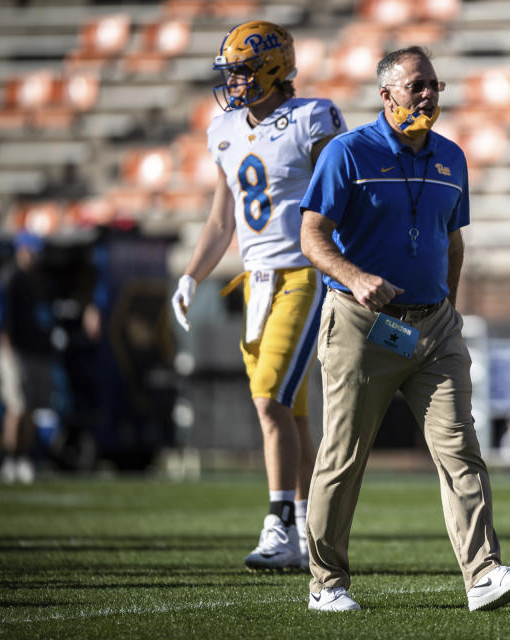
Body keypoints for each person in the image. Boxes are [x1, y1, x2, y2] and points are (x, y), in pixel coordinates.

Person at [298, 46, 510, 612]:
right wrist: (355, 277)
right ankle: (325, 584)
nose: (429, 95)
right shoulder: (347, 153)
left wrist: (448, 308)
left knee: (462, 449)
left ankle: (483, 574)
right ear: (387, 95)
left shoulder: (452, 157)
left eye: (434, 84)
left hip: (434, 328)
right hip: (360, 326)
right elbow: (311, 237)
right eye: (417, 86)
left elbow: (452, 241)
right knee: (342, 457)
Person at [171, 20, 346, 570]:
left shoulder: (312, 118)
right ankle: (306, 532)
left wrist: (350, 268)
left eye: (245, 70)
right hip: (256, 283)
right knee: (289, 417)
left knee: (267, 399)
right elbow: (222, 219)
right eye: (233, 72)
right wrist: (192, 275)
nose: (236, 82)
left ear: (274, 68)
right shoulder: (222, 128)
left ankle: (278, 524)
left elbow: (344, 197)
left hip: (303, 273)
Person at [0, 231, 53, 485]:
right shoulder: (10, 277)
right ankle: (10, 459)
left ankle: (25, 459)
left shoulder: (37, 279)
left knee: (30, 409)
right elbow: (2, 317)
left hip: (35, 350)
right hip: (15, 350)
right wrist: (7, 348)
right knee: (16, 407)